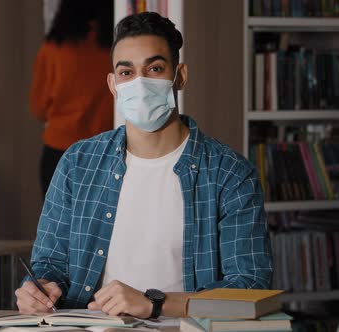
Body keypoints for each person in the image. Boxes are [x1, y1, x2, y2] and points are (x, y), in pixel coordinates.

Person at [16, 12, 273, 318]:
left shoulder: (229, 173)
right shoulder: (77, 163)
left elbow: (250, 287)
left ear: (180, 76)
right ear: (113, 85)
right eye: (127, 73)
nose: (139, 83)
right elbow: (50, 265)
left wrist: (154, 303)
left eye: (154, 68)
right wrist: (39, 290)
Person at [30, 0, 115, 197]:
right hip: (105, 152)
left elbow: (38, 108)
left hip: (59, 152)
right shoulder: (117, 48)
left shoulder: (53, 49)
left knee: (59, 225)